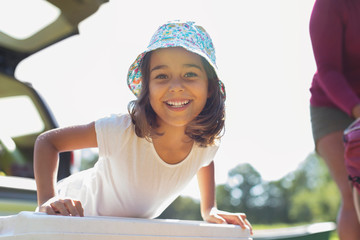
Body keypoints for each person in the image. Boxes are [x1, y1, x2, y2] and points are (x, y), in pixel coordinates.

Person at [34, 20, 252, 233]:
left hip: (117, 231)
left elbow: (205, 160)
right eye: (162, 76)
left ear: (210, 88)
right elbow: (48, 142)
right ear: (147, 87)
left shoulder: (206, 144)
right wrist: (48, 199)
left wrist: (209, 208)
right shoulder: (121, 130)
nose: (176, 87)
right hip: (67, 214)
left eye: (190, 74)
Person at [309, 0, 360, 238]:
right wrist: (357, 109)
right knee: (353, 191)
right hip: (333, 106)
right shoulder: (330, 5)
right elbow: (328, 69)